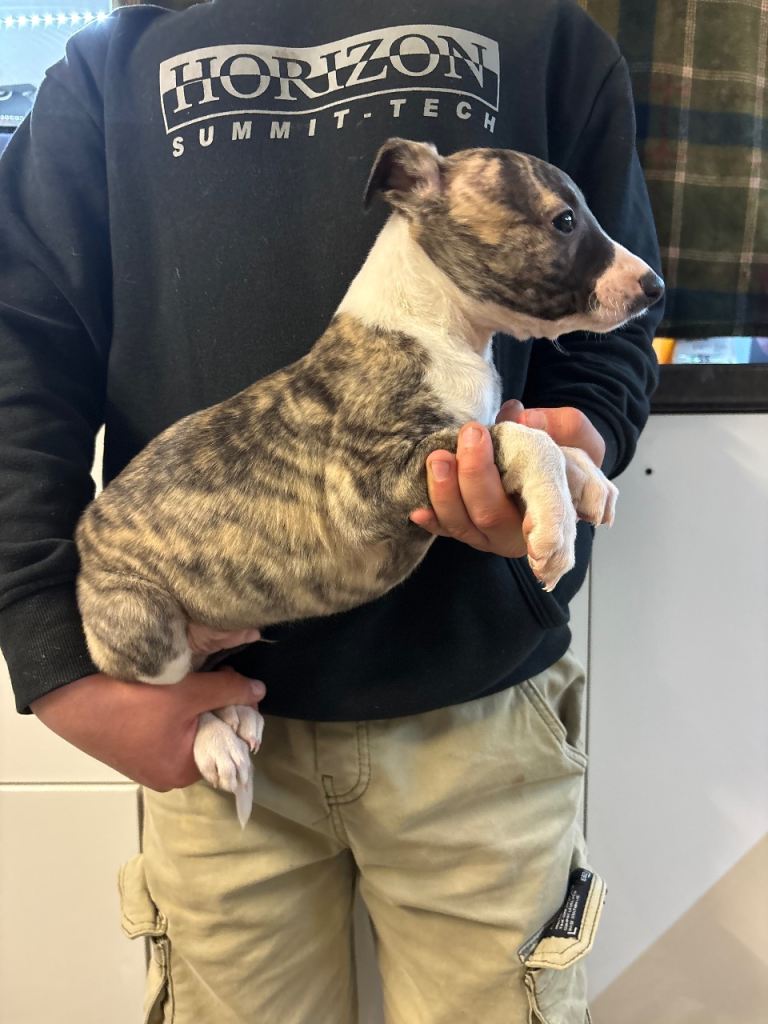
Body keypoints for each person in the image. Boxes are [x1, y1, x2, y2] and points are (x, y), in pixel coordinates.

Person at [0, 1, 663, 1020]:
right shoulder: (112, 60)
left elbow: (612, 328)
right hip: (202, 711)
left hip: (478, 707)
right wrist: (55, 664)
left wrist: (582, 438)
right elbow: (22, 348)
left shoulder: (549, 35)